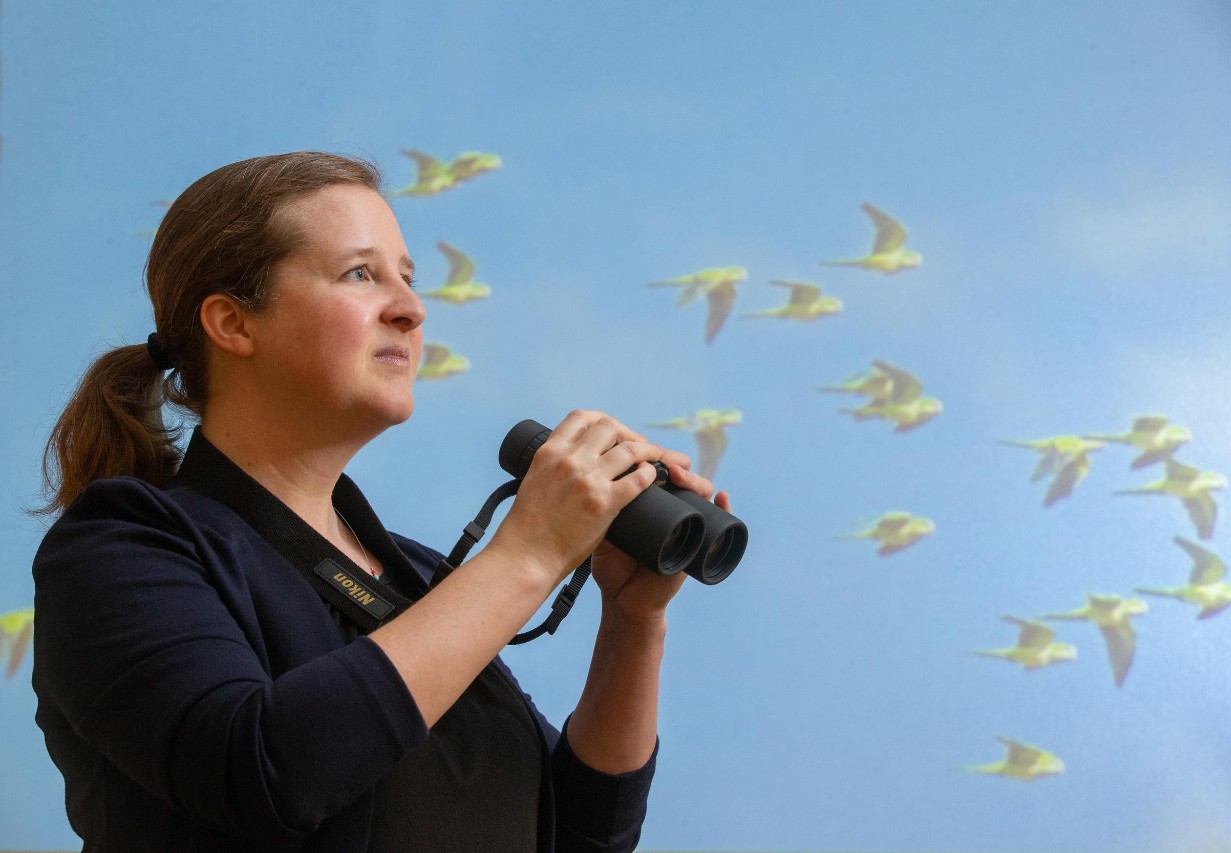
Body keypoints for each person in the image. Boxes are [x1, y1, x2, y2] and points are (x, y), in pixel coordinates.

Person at [32, 151, 730, 852]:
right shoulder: (121, 548)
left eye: (409, 278)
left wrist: (634, 620)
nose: (412, 308)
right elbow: (263, 772)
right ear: (233, 323)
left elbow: (581, 835)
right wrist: (528, 553)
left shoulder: (422, 581)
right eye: (360, 274)